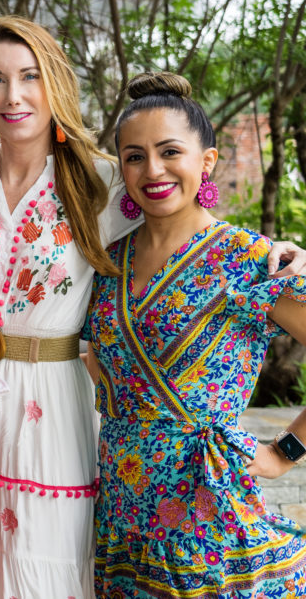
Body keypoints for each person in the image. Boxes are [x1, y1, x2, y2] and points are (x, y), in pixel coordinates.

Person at [0, 16, 306, 598]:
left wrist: (283, 258)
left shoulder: (102, 185)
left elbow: (185, 219)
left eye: (31, 76)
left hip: (84, 438)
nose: (12, 95)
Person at [83, 71, 306, 597]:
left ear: (205, 161)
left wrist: (286, 451)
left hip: (207, 510)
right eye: (135, 156)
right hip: (121, 511)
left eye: (169, 151)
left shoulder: (250, 260)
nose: (152, 170)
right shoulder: (108, 263)